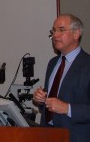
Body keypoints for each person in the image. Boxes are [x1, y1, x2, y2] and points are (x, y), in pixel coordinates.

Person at [33, 13, 90, 142]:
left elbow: (63, 106)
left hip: (75, 137)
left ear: (76, 34)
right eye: (53, 31)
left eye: (61, 30)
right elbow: (51, 102)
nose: (55, 35)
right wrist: (41, 100)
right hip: (48, 134)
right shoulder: (53, 63)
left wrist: (67, 108)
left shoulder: (87, 65)